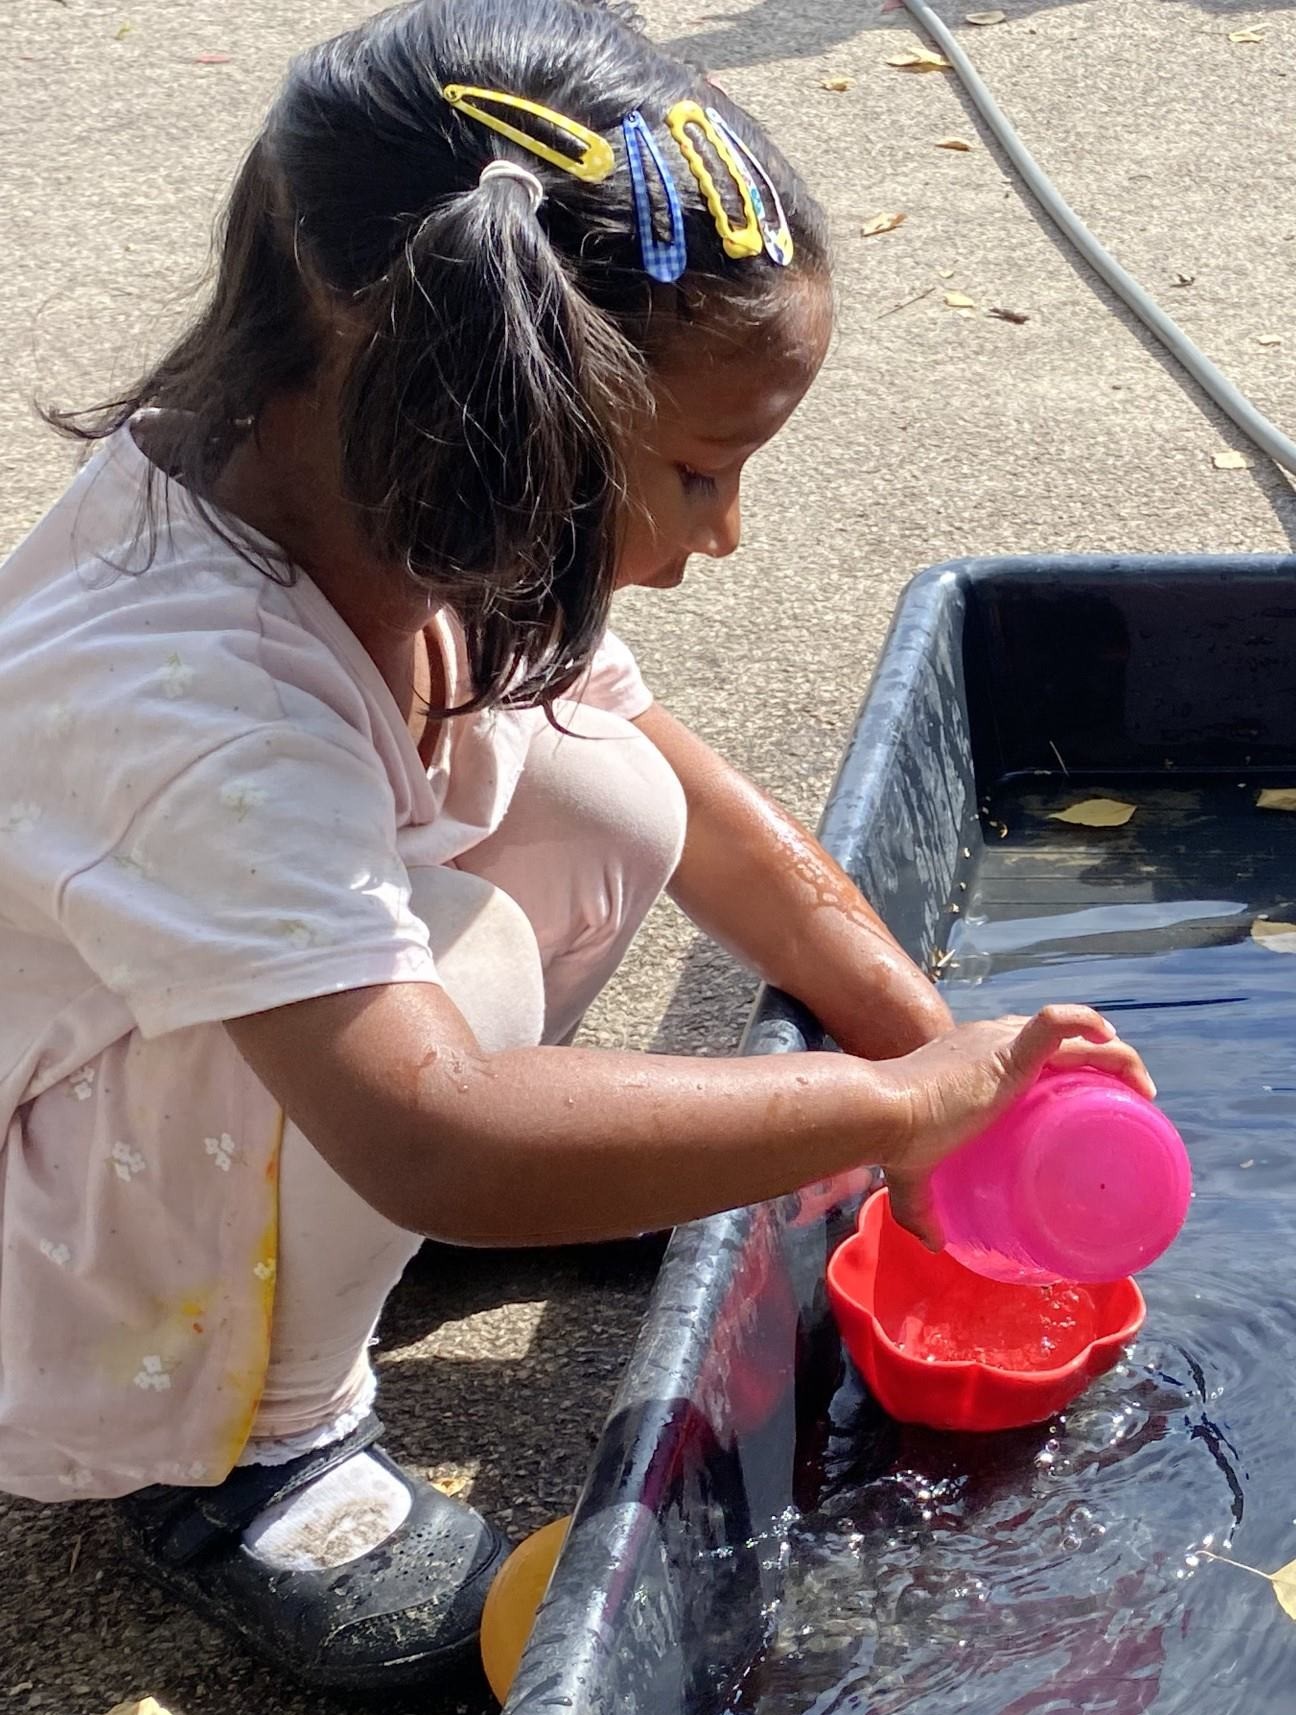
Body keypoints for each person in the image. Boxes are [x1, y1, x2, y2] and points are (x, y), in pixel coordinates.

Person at [0, 0, 1152, 1692]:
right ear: (482, 405)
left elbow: (700, 812)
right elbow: (435, 1130)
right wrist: (893, 1109)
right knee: (456, 986)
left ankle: (345, 1261)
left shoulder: (383, 490)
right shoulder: (188, 698)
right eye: (698, 471)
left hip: (209, 1100)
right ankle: (243, 1457)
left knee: (605, 781)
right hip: (53, 1250)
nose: (727, 533)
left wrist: (937, 1057)